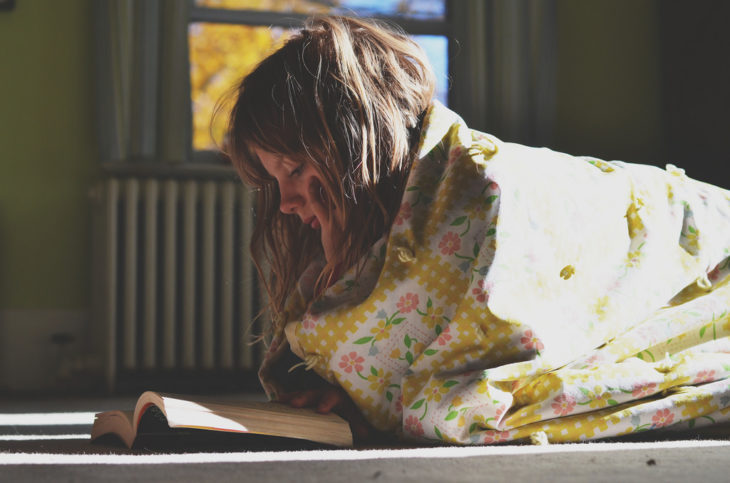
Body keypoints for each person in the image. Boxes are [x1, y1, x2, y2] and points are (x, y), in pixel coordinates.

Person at [224, 15, 730, 445]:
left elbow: (455, 355)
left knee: (454, 410)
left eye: (293, 171)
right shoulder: (353, 243)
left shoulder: (476, 188)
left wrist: (361, 397)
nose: (287, 204)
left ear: (351, 144)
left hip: (705, 229)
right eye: (276, 181)